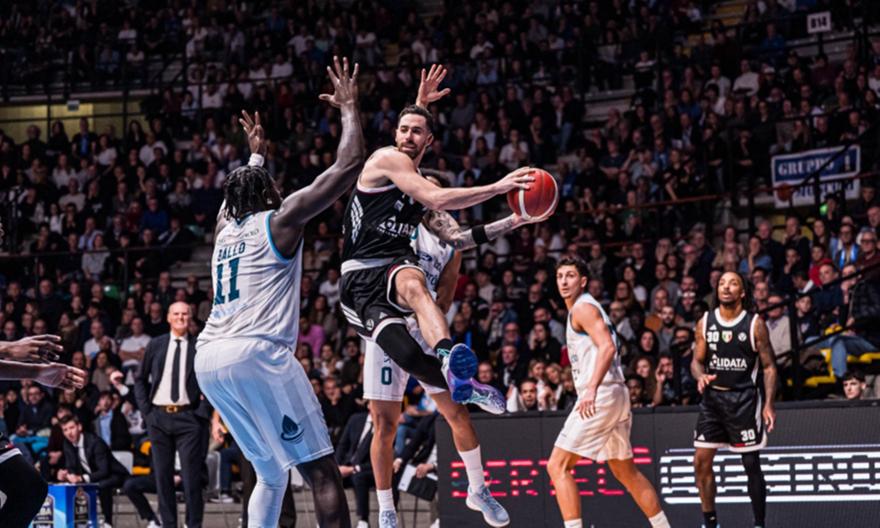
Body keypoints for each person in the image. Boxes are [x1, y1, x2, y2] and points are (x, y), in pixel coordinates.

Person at [195, 57, 363, 528]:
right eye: (272, 184)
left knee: (270, 473)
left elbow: (232, 201)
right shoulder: (281, 219)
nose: (278, 187)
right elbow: (348, 165)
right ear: (267, 194)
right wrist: (349, 108)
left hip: (208, 359)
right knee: (322, 471)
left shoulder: (223, 232)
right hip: (257, 353)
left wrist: (255, 158)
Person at [338, 65, 534, 422]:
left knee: (414, 283)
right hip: (360, 280)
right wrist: (498, 187)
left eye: (417, 132)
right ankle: (461, 383)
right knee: (411, 358)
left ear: (428, 141)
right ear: (394, 133)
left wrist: (515, 220)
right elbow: (436, 197)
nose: (408, 136)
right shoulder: (387, 159)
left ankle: (448, 358)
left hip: (394, 266)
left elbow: (458, 239)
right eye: (403, 129)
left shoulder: (416, 180)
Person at [364, 179, 540, 526]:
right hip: (387, 323)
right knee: (384, 423)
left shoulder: (449, 242)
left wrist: (515, 220)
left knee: (457, 412)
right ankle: (386, 510)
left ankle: (478, 490)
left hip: (425, 328)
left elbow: (444, 298)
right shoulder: (396, 223)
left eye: (433, 191)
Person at [546, 257, 670, 528]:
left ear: (583, 281)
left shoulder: (583, 308)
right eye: (560, 276)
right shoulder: (587, 307)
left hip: (600, 394)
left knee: (557, 466)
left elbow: (607, 347)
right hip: (615, 393)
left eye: (570, 276)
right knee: (625, 471)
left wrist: (591, 388)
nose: (564, 281)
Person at [691, 271, 778, 528]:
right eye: (722, 283)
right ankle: (710, 522)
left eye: (733, 283)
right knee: (700, 461)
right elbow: (696, 361)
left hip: (744, 400)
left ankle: (759, 523)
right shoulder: (705, 322)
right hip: (713, 400)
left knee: (750, 463)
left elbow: (769, 367)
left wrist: (769, 404)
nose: (726, 287)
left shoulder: (755, 324)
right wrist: (700, 375)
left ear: (742, 292)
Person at [133, 302, 211, 528]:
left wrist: (202, 413)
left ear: (191, 317)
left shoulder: (199, 347)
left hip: (189, 418)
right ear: (168, 317)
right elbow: (140, 379)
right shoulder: (156, 344)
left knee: (191, 478)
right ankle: (168, 524)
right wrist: (147, 412)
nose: (180, 317)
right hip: (158, 417)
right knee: (162, 476)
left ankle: (193, 525)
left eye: (185, 313)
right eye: (176, 313)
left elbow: (211, 381)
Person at [58, 415, 129, 528]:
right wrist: (66, 474)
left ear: (79, 427)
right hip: (94, 477)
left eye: (71, 428)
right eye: (65, 430)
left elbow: (104, 471)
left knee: (102, 485)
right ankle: (78, 522)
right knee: (69, 485)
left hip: (115, 475)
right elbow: (71, 466)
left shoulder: (95, 442)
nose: (69, 433)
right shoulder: (67, 444)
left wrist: (81, 478)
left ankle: (108, 522)